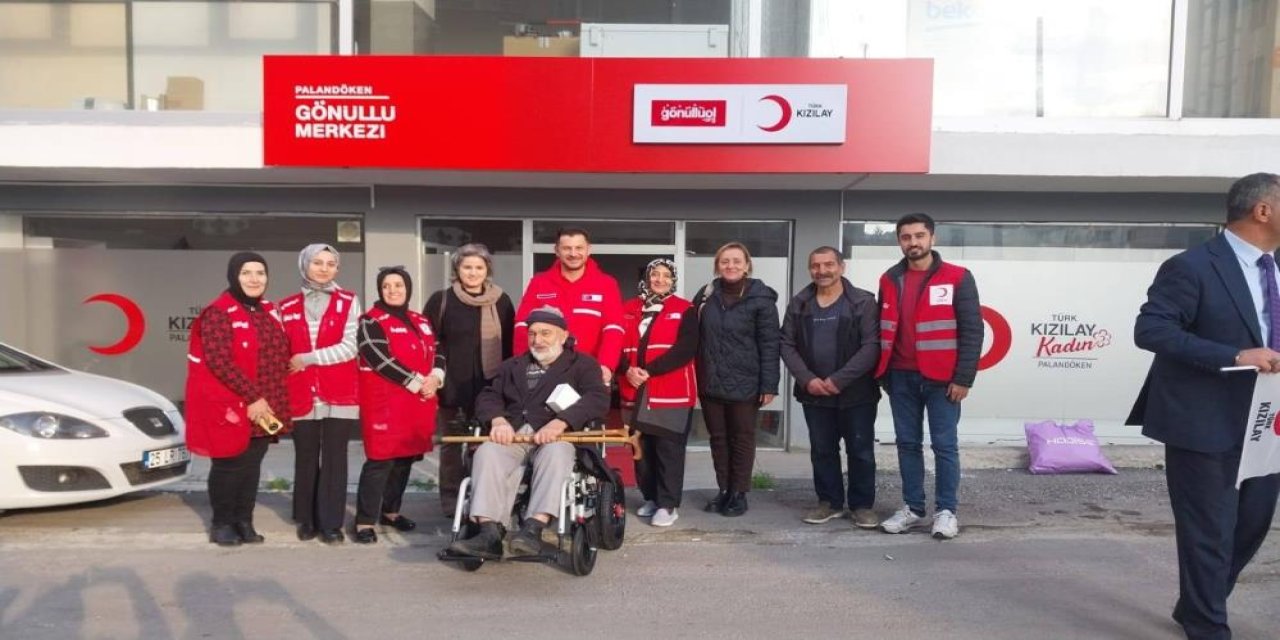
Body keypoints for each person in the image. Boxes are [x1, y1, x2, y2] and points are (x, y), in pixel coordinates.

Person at [1128, 172, 1280, 639]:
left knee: (1251, 527)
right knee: (1209, 532)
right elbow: (1151, 330)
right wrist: (1235, 355)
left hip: (1266, 423)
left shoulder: (1275, 268)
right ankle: (1207, 624)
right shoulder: (1192, 266)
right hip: (1203, 420)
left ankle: (1197, 601)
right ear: (1263, 210)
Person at [448, 307, 610, 559]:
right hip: (513, 434)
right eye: (532, 333)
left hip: (558, 436)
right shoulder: (512, 365)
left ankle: (533, 528)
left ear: (563, 335)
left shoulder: (583, 364)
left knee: (556, 453)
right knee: (487, 452)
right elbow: (488, 396)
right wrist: (498, 420)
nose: (538, 340)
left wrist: (561, 422)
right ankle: (489, 533)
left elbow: (597, 398)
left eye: (546, 333)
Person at [875, 213, 981, 540]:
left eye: (919, 236)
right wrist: (884, 375)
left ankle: (946, 512)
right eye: (906, 237)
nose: (913, 242)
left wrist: (963, 378)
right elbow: (883, 326)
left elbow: (972, 330)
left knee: (944, 446)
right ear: (899, 241)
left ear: (932, 238)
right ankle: (913, 508)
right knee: (907, 445)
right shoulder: (889, 278)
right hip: (900, 377)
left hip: (943, 381)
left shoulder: (958, 277)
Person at [184, 252, 291, 546]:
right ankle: (222, 523)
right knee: (229, 464)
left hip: (267, 404)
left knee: (252, 464)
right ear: (234, 276)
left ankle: (244, 520)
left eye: (260, 273)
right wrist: (253, 397)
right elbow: (220, 362)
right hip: (234, 402)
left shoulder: (269, 310)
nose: (254, 279)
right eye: (246, 273)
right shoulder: (218, 312)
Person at [780, 246, 881, 529]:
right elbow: (786, 343)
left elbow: (872, 346)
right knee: (822, 450)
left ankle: (862, 506)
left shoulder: (863, 302)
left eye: (828, 264)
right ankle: (829, 502)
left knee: (860, 451)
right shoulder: (799, 303)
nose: (822, 271)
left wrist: (839, 380)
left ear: (841, 267)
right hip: (814, 393)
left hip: (857, 393)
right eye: (815, 266)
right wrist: (807, 379)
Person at [353, 266, 444, 544]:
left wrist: (436, 377)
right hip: (386, 403)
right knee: (380, 461)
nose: (393, 290)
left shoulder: (421, 320)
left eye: (399, 285)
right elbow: (378, 358)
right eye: (387, 286)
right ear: (380, 290)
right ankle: (364, 521)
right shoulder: (370, 321)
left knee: (405, 460)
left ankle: (391, 512)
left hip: (416, 403)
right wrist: (417, 382)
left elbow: (438, 350)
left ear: (408, 289)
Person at [424, 243, 515, 517]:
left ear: (487, 270)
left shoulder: (502, 301)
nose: (473, 273)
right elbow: (429, 343)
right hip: (451, 387)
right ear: (457, 269)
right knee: (452, 447)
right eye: (467, 267)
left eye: (478, 267)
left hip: (490, 388)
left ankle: (481, 498)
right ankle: (451, 503)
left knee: (485, 446)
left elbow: (510, 346)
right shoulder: (441, 300)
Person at [278, 244, 360, 544]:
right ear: (304, 265)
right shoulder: (285, 306)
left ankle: (331, 523)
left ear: (337, 268)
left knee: (336, 458)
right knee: (306, 456)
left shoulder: (349, 301)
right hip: (300, 391)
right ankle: (306, 518)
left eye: (330, 263)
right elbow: (280, 350)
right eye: (317, 262)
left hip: (340, 390)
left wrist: (308, 358)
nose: (324, 269)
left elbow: (350, 347)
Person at [692, 242, 780, 517]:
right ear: (717, 265)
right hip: (710, 380)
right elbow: (693, 336)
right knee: (718, 439)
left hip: (746, 382)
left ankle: (739, 493)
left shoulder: (761, 298)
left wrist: (769, 384)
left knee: (741, 438)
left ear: (747, 265)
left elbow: (770, 344)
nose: (731, 266)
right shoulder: (706, 295)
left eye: (736, 261)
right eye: (725, 261)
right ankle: (724, 490)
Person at [619, 259, 698, 527]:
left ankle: (667, 504)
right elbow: (615, 344)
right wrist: (626, 369)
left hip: (671, 393)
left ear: (673, 280)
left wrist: (649, 371)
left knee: (668, 450)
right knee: (641, 449)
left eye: (666, 275)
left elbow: (686, 349)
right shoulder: (628, 308)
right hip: (634, 390)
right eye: (655, 274)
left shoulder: (685, 309)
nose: (660, 280)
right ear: (646, 278)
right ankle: (651, 497)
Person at [513, 227, 624, 384]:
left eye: (579, 248)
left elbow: (614, 329)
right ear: (557, 251)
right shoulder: (539, 282)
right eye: (566, 248)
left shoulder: (606, 284)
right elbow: (522, 325)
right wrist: (523, 363)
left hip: (589, 372)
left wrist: (606, 365)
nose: (573, 253)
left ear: (588, 250)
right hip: (545, 372)